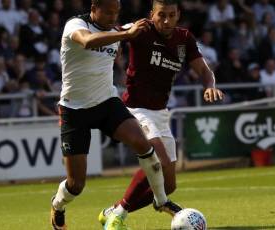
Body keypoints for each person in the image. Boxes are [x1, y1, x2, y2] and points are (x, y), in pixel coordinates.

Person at [50, 1, 180, 229]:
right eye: (108, 11)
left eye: (116, 12)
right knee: (76, 185)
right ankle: (58, 205)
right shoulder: (76, 24)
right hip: (74, 109)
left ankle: (162, 201)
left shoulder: (117, 31)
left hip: (106, 103)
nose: (112, 16)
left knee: (143, 143)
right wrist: (124, 35)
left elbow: (148, 27)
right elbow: (88, 41)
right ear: (94, 7)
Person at [99, 1, 224, 229]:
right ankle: (118, 216)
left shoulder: (184, 38)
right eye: (161, 15)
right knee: (159, 161)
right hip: (135, 110)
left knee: (168, 185)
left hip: (160, 113)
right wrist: (122, 33)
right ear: (152, 15)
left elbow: (204, 70)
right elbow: (108, 33)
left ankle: (112, 210)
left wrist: (209, 85)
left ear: (178, 15)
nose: (166, 21)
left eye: (171, 15)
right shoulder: (141, 29)